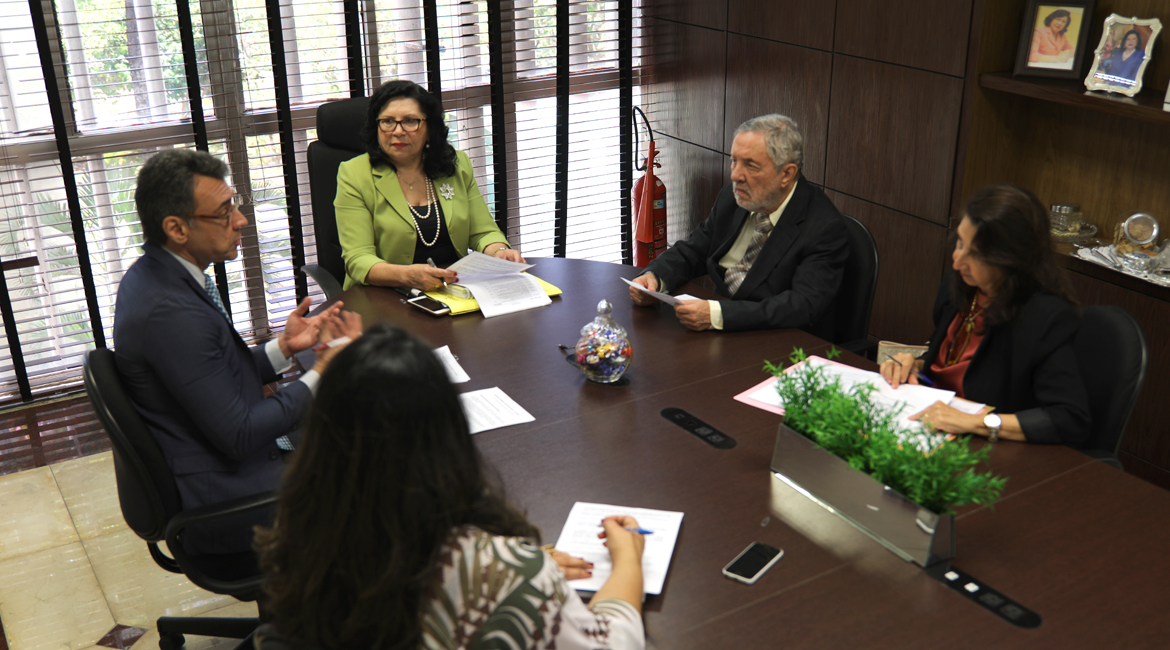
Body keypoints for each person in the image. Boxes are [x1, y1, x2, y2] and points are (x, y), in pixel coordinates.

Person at [255, 324, 646, 649]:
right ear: (449, 435)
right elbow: (612, 642)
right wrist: (627, 557)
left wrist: (511, 563)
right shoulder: (508, 576)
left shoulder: (300, 534)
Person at [113, 148, 361, 556]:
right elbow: (240, 433)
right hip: (231, 504)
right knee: (385, 471)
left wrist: (283, 348)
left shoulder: (159, 277)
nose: (241, 220)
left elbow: (210, 375)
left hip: (221, 467)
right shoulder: (170, 314)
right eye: (224, 211)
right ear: (176, 228)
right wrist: (323, 373)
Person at [880, 185, 1090, 446]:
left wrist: (979, 422)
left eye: (975, 254)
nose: (957, 261)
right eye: (959, 242)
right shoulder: (959, 285)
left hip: (984, 449)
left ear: (1011, 259)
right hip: (928, 424)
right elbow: (948, 364)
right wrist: (915, 365)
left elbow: (1068, 419)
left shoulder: (1045, 316)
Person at [628, 114, 848, 336]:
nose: (735, 175)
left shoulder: (824, 227)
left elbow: (802, 306)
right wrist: (655, 277)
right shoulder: (734, 197)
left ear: (787, 174)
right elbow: (695, 249)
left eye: (750, 165)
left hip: (778, 343)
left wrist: (717, 314)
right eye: (734, 161)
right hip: (717, 333)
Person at [336, 80, 525, 292]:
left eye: (410, 121)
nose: (397, 131)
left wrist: (499, 251)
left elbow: (482, 232)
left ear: (429, 128)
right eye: (388, 121)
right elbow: (358, 258)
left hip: (453, 289)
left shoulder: (455, 164)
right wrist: (407, 276)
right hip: (384, 295)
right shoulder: (354, 174)